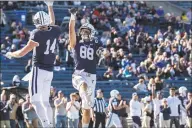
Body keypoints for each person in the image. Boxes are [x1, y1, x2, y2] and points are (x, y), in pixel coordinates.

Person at [5, 2, 61, 127]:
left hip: (39, 69)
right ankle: (50, 124)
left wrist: (11, 54)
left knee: (35, 101)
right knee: (45, 102)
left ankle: (46, 125)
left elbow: (22, 53)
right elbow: (52, 21)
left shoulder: (37, 33)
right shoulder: (55, 30)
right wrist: (50, 6)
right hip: (49, 71)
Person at [69, 8, 106, 128]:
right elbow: (71, 32)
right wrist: (73, 17)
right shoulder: (76, 44)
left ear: (92, 32)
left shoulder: (96, 44)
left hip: (92, 77)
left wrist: (102, 56)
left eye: (87, 31)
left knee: (86, 110)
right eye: (83, 31)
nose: (84, 33)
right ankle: (84, 95)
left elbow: (102, 54)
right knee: (83, 86)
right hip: (79, 74)